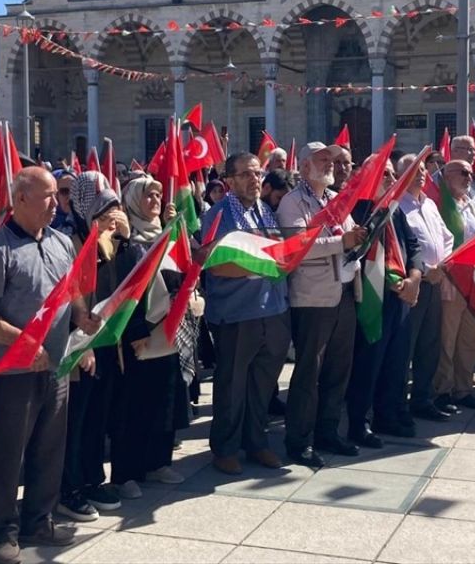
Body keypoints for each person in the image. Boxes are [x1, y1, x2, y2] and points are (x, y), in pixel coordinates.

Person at [0, 167, 97, 564]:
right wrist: (21, 340)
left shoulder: (60, 241)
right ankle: (2, 530)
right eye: (47, 197)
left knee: (49, 448)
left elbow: (71, 293)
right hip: (13, 373)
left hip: (56, 367)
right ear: (20, 199)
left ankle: (39, 520)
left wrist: (84, 325)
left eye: (58, 195)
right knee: (10, 454)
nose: (56, 205)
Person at [277, 142, 366, 467]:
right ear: (303, 167)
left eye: (331, 159)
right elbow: (296, 245)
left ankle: (328, 431)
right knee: (308, 372)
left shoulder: (335, 199)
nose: (330, 164)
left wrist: (358, 235)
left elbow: (349, 233)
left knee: (338, 370)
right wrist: (341, 241)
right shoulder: (292, 201)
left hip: (343, 292)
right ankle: (298, 440)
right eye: (322, 159)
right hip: (313, 298)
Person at [201, 153, 290, 475]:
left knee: (263, 384)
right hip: (237, 314)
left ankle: (257, 442)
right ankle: (224, 448)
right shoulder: (217, 215)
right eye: (246, 174)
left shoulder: (265, 210)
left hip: (273, 308)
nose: (255, 180)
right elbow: (213, 263)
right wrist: (263, 264)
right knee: (232, 384)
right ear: (230, 180)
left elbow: (277, 249)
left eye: (258, 173)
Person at [113, 176, 191, 491]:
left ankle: (158, 462)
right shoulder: (128, 242)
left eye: (158, 194)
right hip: (144, 334)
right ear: (132, 200)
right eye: (148, 195)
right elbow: (128, 291)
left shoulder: (166, 235)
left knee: (166, 401)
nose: (155, 200)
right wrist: (135, 331)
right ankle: (127, 474)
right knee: (136, 407)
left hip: (170, 333)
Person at [58, 174, 125, 522]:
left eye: (113, 207)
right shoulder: (72, 240)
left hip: (104, 344)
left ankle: (92, 479)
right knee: (77, 421)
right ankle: (69, 489)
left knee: (97, 417)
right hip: (79, 347)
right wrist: (81, 343)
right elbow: (72, 296)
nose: (111, 215)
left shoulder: (108, 243)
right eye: (103, 210)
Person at [346, 159, 423, 442]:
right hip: (373, 298)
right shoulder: (359, 211)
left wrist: (415, 278)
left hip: (402, 296)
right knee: (369, 363)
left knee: (397, 361)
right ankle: (359, 421)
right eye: (385, 173)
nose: (392, 178)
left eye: (393, 173)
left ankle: (387, 415)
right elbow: (358, 253)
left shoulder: (395, 209)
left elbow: (413, 247)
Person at [396, 154, 456, 421]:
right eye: (413, 169)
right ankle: (397, 403)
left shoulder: (429, 203)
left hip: (436, 282)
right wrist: (424, 271)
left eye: (423, 169)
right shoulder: (398, 206)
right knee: (405, 347)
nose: (421, 174)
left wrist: (443, 264)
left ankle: (423, 398)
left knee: (430, 344)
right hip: (413, 285)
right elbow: (404, 247)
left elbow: (446, 236)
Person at [434, 159, 475, 412]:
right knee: (447, 338)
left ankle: (463, 389)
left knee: (470, 338)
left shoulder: (474, 205)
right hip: (451, 281)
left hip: (474, 280)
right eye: (462, 173)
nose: (468, 177)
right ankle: (441, 390)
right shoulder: (439, 205)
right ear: (446, 177)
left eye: (470, 173)